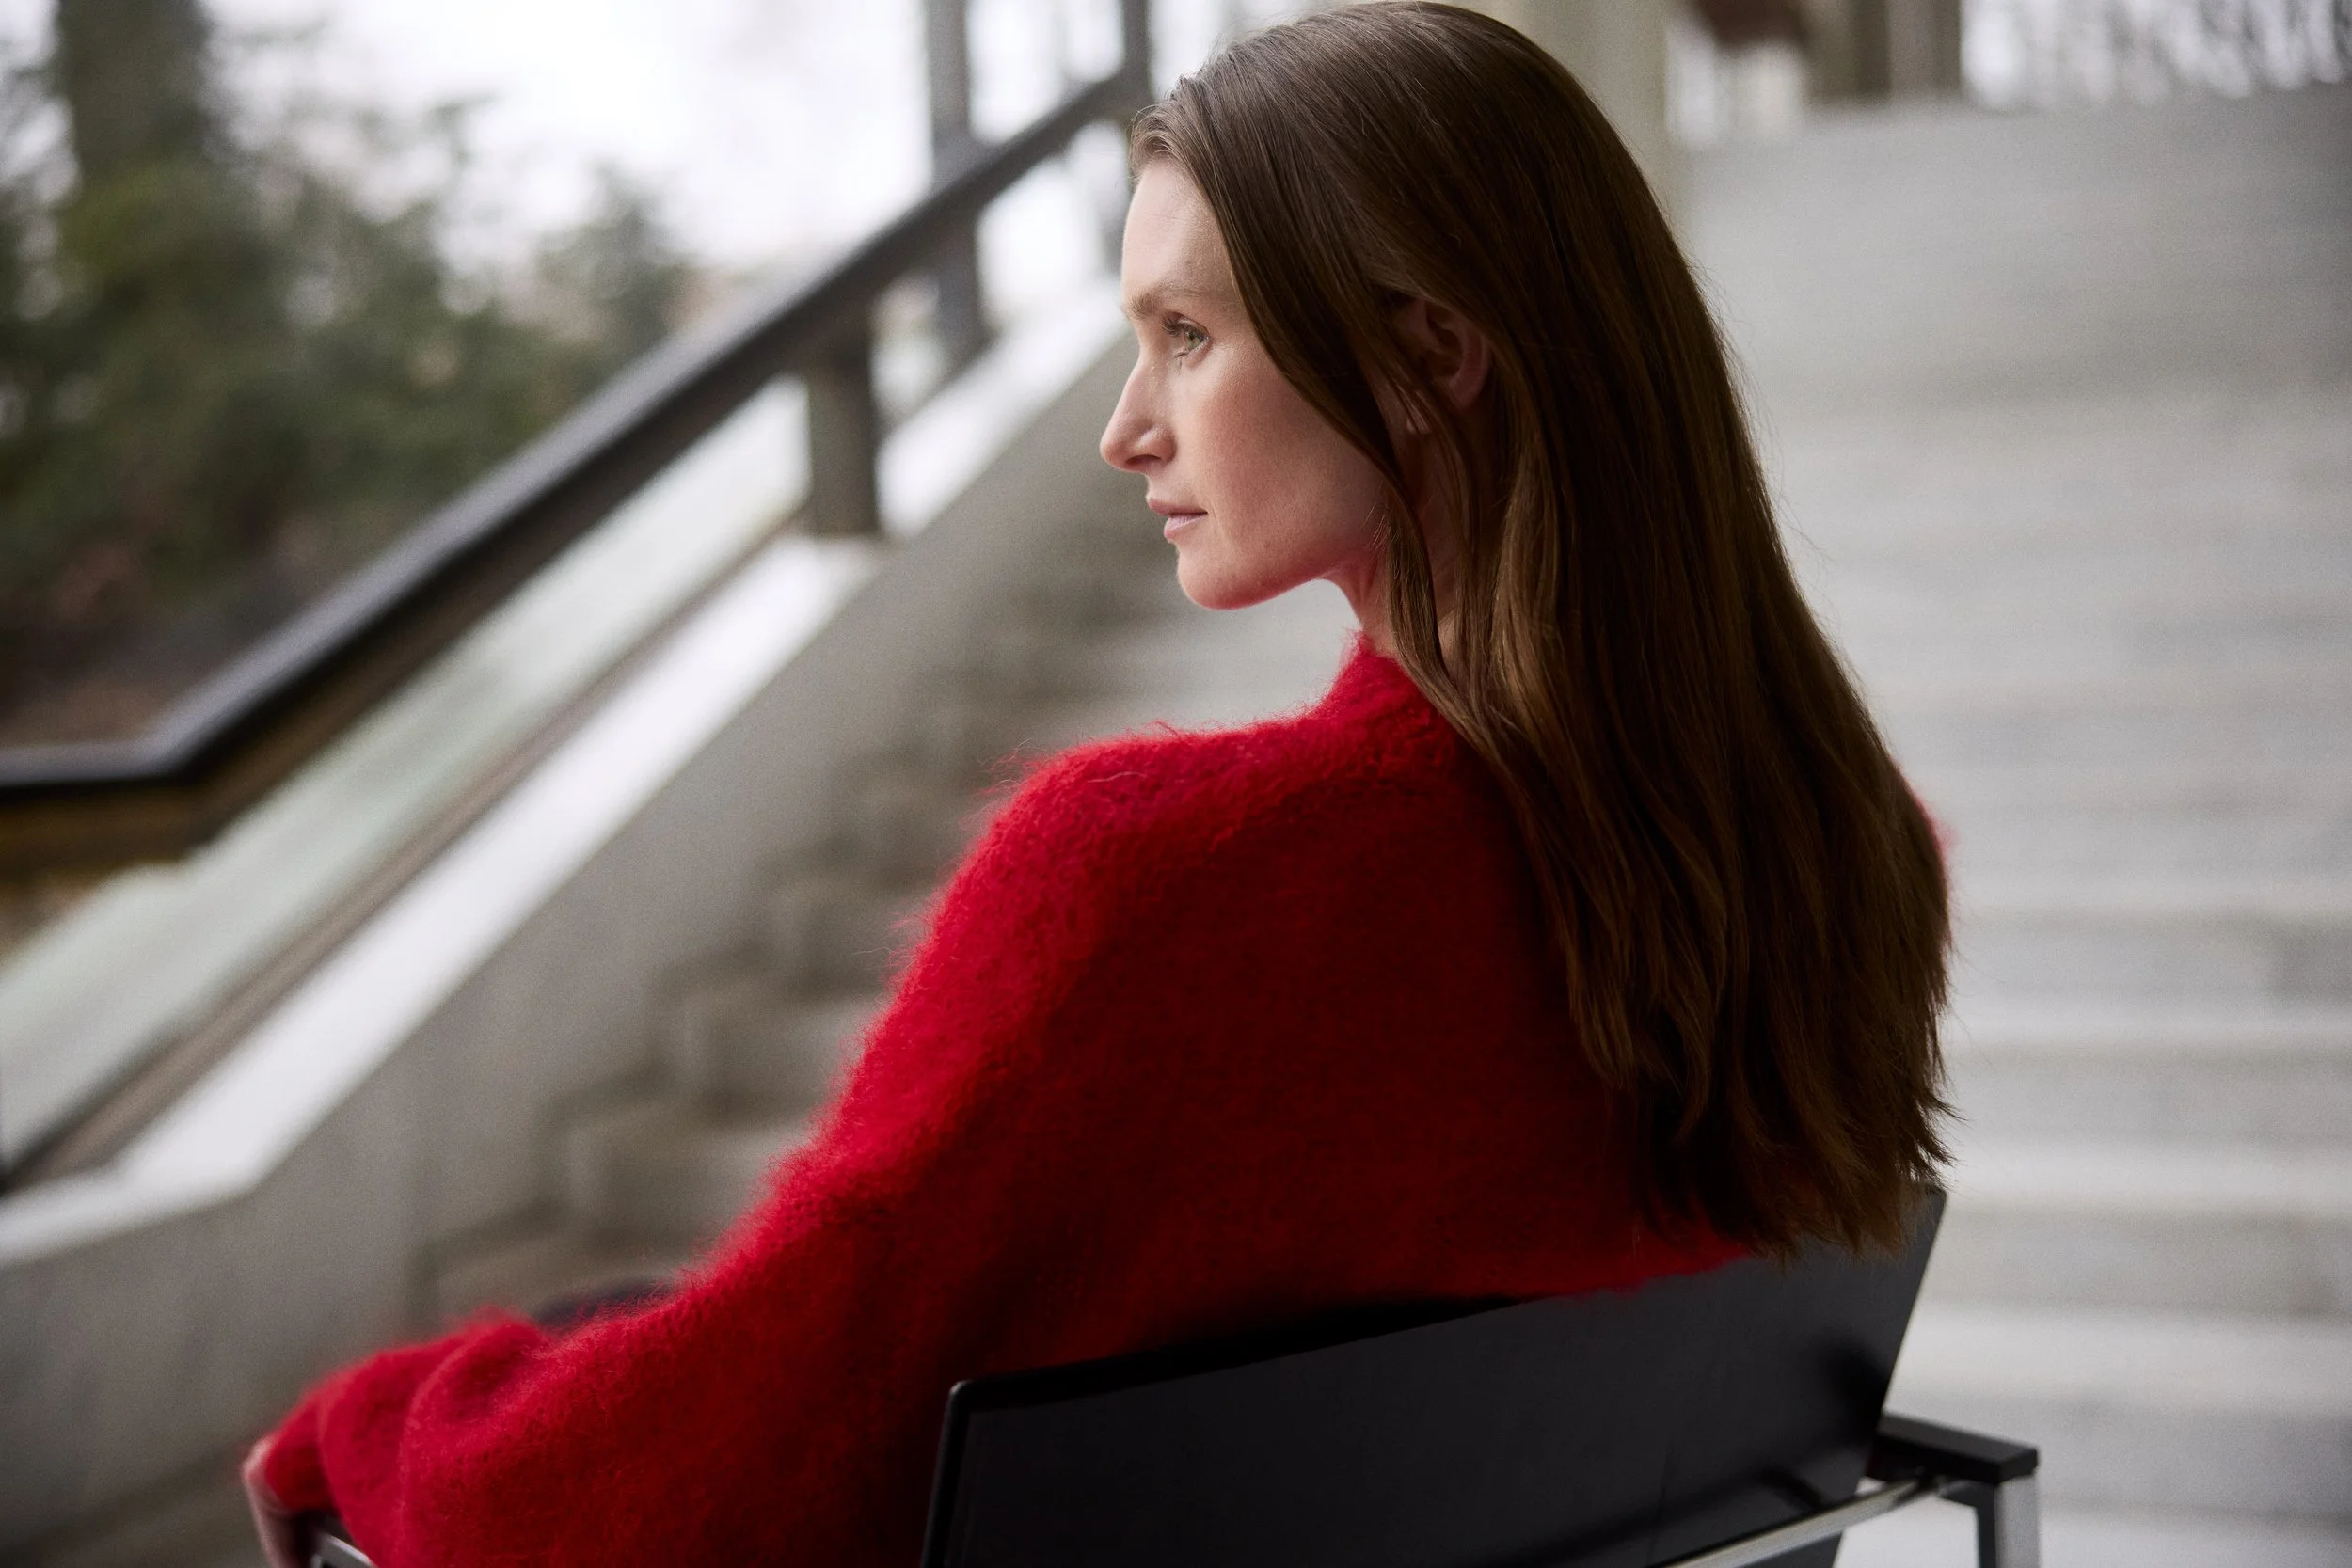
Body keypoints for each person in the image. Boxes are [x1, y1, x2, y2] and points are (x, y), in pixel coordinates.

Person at [246, 5, 1949, 1562]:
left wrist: (383, 1418)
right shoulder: (1855, 856)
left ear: (1435, 356)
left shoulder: (1157, 889)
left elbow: (699, 1482)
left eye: (1187, 335)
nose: (1127, 427)